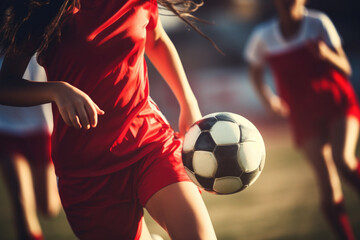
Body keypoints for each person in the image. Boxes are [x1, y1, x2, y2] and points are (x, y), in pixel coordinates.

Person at [0, 0, 217, 239]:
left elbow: (156, 39)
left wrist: (188, 103)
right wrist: (56, 90)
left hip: (148, 144)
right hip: (87, 172)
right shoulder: (43, 10)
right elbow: (5, 85)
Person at [244, 0, 360, 239]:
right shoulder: (263, 36)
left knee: (345, 162)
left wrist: (327, 54)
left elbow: (345, 68)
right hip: (303, 115)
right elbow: (255, 72)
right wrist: (269, 100)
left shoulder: (318, 23)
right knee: (327, 192)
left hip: (336, 103)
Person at [0, 55, 61, 240]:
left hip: (41, 124)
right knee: (21, 202)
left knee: (49, 207)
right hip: (6, 125)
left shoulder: (38, 27)